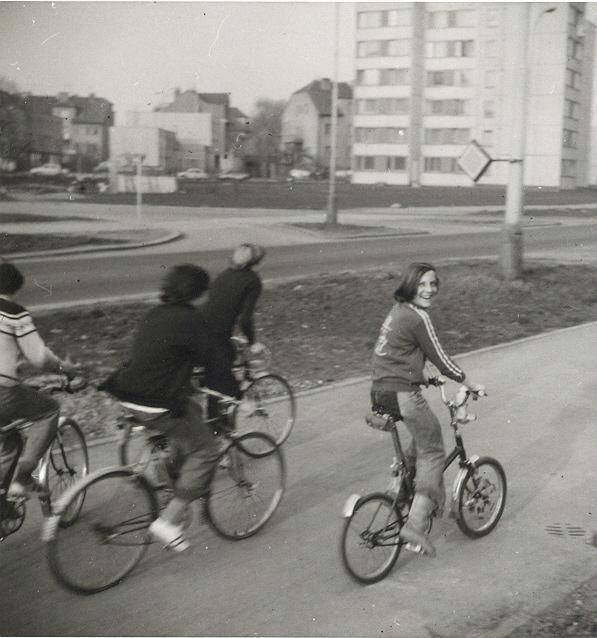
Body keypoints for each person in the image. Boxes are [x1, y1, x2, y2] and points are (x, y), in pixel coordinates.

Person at [100, 264, 224, 552]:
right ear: (200, 293)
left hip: (126, 393)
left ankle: (169, 480)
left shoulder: (154, 313)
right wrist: (234, 390)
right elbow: (213, 359)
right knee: (206, 450)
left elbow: (165, 356)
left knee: (189, 416)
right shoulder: (193, 320)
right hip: (157, 404)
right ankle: (167, 521)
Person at [370, 262, 483, 557]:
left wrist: (423, 375)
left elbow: (395, 354)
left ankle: (399, 491)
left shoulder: (397, 312)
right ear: (410, 286)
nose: (429, 290)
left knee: (420, 441)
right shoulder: (419, 317)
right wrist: (469, 383)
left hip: (381, 390)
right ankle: (415, 525)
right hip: (404, 393)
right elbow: (442, 358)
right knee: (433, 450)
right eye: (422, 284)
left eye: (433, 284)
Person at [0, 261, 79, 498]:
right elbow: (40, 357)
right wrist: (64, 368)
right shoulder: (14, 313)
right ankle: (24, 479)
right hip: (3, 391)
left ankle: (3, 507)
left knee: (9, 440)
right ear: (15, 288)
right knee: (49, 411)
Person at [201, 243, 266, 429]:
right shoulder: (253, 281)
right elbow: (245, 318)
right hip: (217, 336)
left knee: (214, 385)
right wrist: (253, 342)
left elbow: (219, 306)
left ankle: (216, 430)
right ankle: (225, 438)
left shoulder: (224, 275)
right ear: (256, 262)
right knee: (228, 386)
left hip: (200, 330)